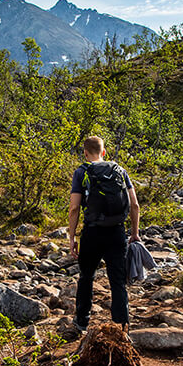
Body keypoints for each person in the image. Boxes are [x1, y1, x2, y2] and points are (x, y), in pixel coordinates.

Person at [68, 136, 140, 333]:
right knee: (117, 281)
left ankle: (81, 321)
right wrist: (134, 233)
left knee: (86, 276)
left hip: (92, 232)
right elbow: (134, 204)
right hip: (117, 232)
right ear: (104, 152)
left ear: (85, 153)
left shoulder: (81, 172)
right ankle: (122, 327)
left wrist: (72, 237)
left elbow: (74, 208)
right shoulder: (120, 170)